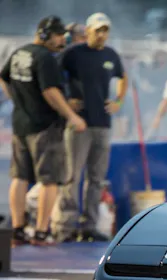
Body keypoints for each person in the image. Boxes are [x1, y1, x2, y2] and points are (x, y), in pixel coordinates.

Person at [0, 16, 86, 247]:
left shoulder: (20, 53)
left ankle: (17, 230)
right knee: (49, 180)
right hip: (45, 127)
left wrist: (19, 100)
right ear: (45, 34)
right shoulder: (45, 58)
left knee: (19, 177)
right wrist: (72, 115)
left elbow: (3, 77)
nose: (62, 40)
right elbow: (50, 92)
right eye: (58, 35)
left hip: (21, 124)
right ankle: (41, 232)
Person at [51, 12, 128, 243]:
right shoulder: (73, 53)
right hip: (79, 123)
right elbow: (52, 76)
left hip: (102, 124)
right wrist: (66, 100)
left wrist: (118, 101)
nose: (102, 35)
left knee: (96, 178)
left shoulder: (110, 55)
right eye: (98, 30)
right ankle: (65, 226)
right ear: (88, 31)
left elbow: (123, 77)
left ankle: (89, 226)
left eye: (105, 31)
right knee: (72, 176)